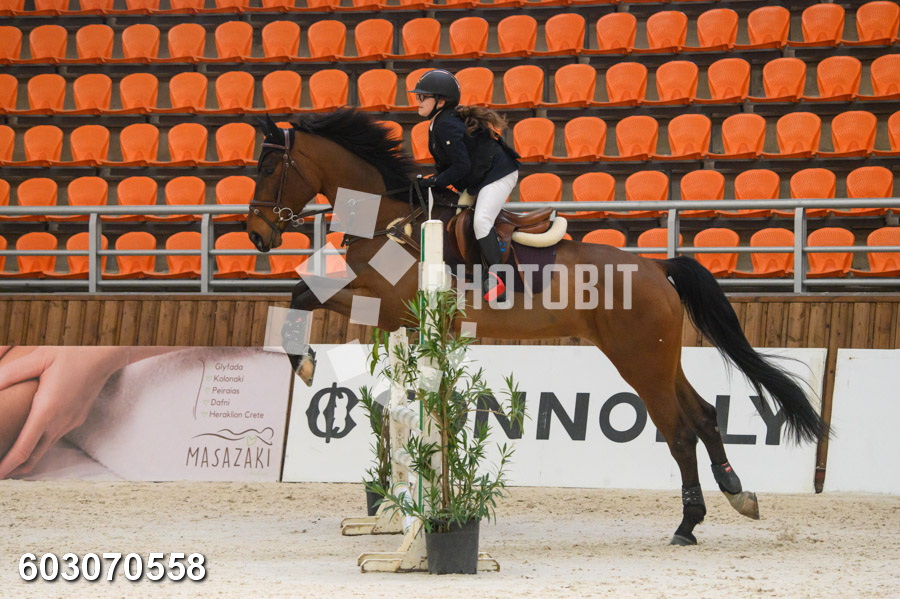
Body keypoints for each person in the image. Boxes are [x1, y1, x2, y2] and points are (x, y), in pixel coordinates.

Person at [411, 69, 520, 303]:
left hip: (498, 174)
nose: (418, 101)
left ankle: (498, 279)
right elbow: (452, 165)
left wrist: (434, 181)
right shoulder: (438, 122)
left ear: (441, 101)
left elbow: (461, 166)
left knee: (481, 221)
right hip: (481, 175)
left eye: (423, 97)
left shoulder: (445, 125)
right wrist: (432, 181)